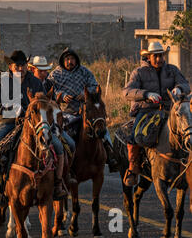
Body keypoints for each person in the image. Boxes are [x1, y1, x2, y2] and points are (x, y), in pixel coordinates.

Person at [0, 50, 67, 199]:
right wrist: (12, 109)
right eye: (17, 66)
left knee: (59, 148)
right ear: (10, 66)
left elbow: (44, 104)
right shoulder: (0, 82)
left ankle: (57, 184)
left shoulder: (35, 82)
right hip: (8, 123)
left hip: (35, 125)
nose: (21, 69)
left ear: (27, 66)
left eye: (23, 65)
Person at [122, 42, 190, 186]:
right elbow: (127, 92)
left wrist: (179, 88)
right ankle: (133, 169)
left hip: (170, 110)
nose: (158, 59)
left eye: (160, 56)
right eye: (155, 56)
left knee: (187, 128)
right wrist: (146, 94)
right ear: (149, 57)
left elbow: (185, 84)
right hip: (147, 110)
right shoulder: (139, 72)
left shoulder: (172, 70)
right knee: (135, 134)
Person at [47, 48, 119, 173]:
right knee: (66, 133)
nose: (70, 62)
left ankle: (111, 154)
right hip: (66, 112)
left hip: (86, 110)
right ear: (63, 61)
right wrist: (62, 96)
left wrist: (84, 94)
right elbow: (50, 89)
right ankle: (65, 161)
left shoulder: (84, 71)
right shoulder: (55, 74)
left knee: (102, 128)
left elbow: (94, 86)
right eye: (67, 59)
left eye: (72, 59)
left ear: (77, 60)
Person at [29, 55, 76, 186]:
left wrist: (58, 100)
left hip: (50, 123)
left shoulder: (49, 83)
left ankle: (62, 177)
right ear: (33, 70)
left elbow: (54, 102)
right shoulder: (30, 83)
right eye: (41, 70)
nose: (44, 73)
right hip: (34, 123)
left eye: (45, 70)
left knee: (70, 144)